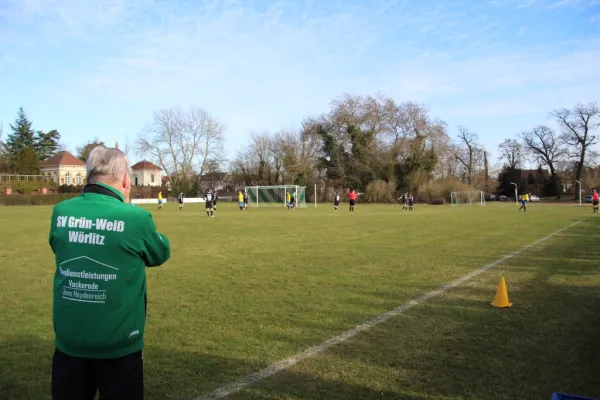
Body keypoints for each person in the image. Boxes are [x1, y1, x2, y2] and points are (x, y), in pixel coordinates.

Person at [49, 146, 170, 400]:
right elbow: (160, 252)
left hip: (69, 343)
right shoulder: (136, 218)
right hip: (119, 348)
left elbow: (57, 246)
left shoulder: (61, 212)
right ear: (126, 179)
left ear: (88, 175)